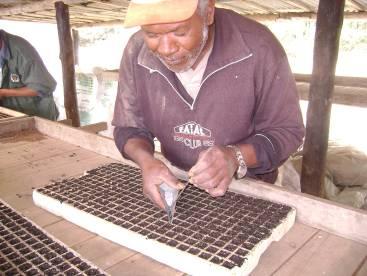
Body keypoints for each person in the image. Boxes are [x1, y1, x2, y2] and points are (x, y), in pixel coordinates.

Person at [112, 0, 305, 209]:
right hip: (177, 178)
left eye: (179, 32)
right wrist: (146, 162)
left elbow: (287, 131)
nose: (166, 49)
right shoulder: (136, 50)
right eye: (152, 35)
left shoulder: (258, 47)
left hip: (251, 186)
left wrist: (235, 156)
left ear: (209, 13)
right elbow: (128, 127)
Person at [0, 29, 59, 120]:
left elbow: (42, 88)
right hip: (14, 114)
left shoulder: (21, 51)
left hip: (38, 117)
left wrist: (3, 93)